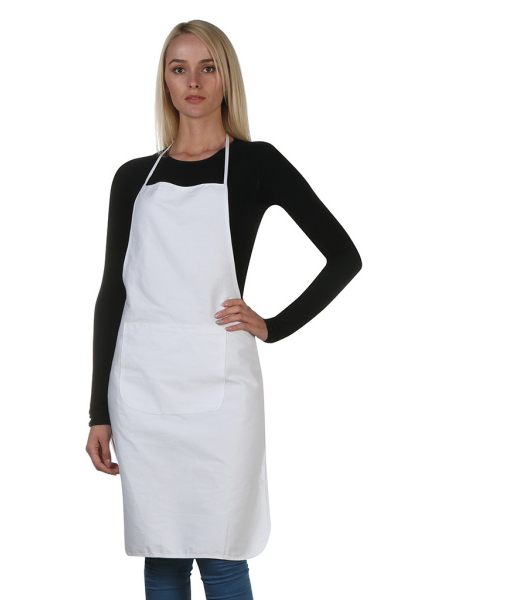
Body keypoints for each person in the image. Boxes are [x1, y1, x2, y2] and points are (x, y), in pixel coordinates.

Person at [85, 19, 362, 600]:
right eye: (179, 68)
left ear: (226, 78)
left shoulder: (258, 164)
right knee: (162, 556)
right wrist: (97, 413)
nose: (194, 82)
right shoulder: (132, 178)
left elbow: (344, 257)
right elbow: (113, 292)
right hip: (144, 387)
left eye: (207, 67)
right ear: (164, 81)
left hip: (222, 390)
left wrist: (274, 326)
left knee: (222, 556)